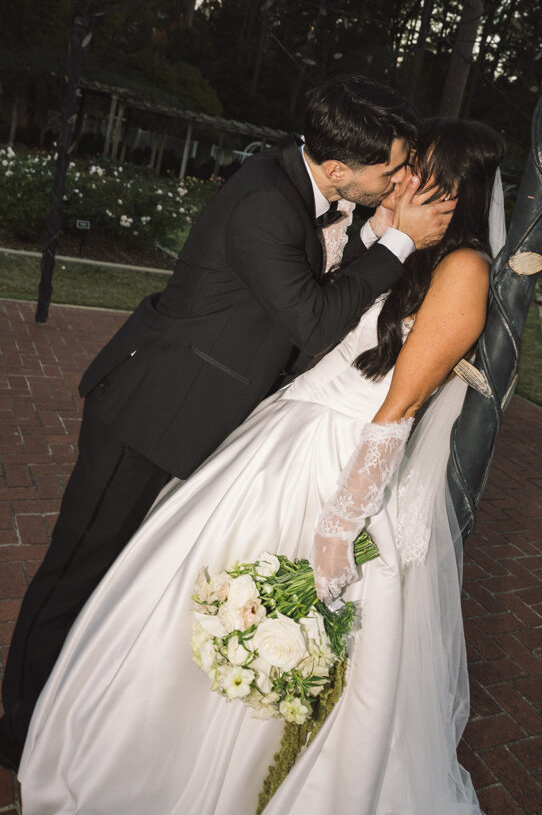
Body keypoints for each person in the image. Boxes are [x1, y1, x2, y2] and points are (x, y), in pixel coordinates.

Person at [19, 117, 506, 814]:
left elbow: (398, 406)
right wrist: (387, 237)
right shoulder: (406, 251)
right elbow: (322, 318)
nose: (397, 178)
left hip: (336, 463)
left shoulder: (463, 272)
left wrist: (341, 523)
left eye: (415, 167)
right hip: (278, 439)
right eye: (398, 168)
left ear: (452, 187)